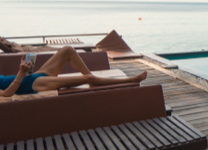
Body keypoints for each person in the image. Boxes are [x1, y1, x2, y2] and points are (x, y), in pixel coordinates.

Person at [0, 46, 147, 97]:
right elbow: (6, 93)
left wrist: (24, 70)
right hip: (35, 84)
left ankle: (91, 76)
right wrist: (21, 73)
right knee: (87, 80)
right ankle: (130, 80)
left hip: (34, 76)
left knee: (67, 50)